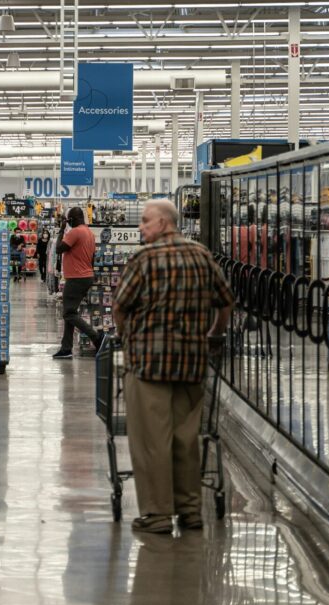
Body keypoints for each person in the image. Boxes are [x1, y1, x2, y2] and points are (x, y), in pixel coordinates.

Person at [113, 199, 232, 534]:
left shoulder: (144, 259)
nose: (141, 227)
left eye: (146, 221)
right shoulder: (202, 256)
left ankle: (157, 514)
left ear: (164, 223)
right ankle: (191, 511)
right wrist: (214, 335)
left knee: (152, 441)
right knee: (186, 439)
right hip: (191, 363)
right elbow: (225, 301)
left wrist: (126, 339)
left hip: (149, 365)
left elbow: (120, 307)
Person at [52, 207, 101, 359]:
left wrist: (61, 230)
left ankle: (97, 338)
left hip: (76, 278)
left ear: (71, 220)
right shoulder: (89, 233)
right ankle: (66, 348)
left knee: (68, 313)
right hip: (85, 276)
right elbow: (92, 258)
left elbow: (59, 249)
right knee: (70, 312)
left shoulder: (75, 232)